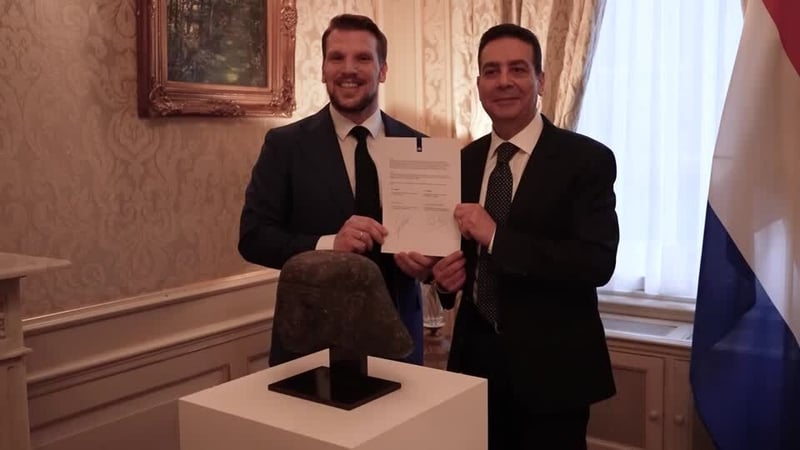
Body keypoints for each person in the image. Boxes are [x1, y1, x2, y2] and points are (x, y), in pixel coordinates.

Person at [432, 23, 619, 450]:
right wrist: (444, 282)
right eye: (491, 71)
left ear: (541, 80)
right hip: (474, 362)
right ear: (478, 83)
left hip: (553, 371)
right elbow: (459, 259)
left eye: (517, 69)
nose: (503, 81)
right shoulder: (463, 160)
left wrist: (497, 236)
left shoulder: (585, 160)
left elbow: (596, 262)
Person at [238, 14, 435, 367]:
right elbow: (253, 238)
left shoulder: (420, 146)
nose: (349, 69)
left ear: (383, 70)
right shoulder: (285, 146)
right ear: (323, 69)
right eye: (337, 57)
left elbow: (437, 253)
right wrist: (330, 244)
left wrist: (429, 266)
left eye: (362, 58)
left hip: (400, 345)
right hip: (312, 348)